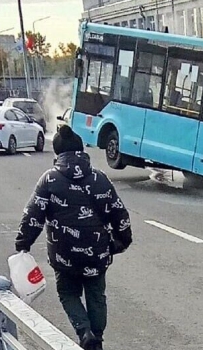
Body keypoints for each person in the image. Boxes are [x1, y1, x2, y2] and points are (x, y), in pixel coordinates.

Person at [15, 125, 132, 350]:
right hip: (97, 252)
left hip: (63, 254)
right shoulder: (100, 178)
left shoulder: (49, 179)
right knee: (96, 294)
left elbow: (33, 215)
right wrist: (122, 241)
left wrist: (23, 244)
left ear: (58, 153)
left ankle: (84, 331)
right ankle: (96, 338)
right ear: (81, 151)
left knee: (67, 292)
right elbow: (119, 213)